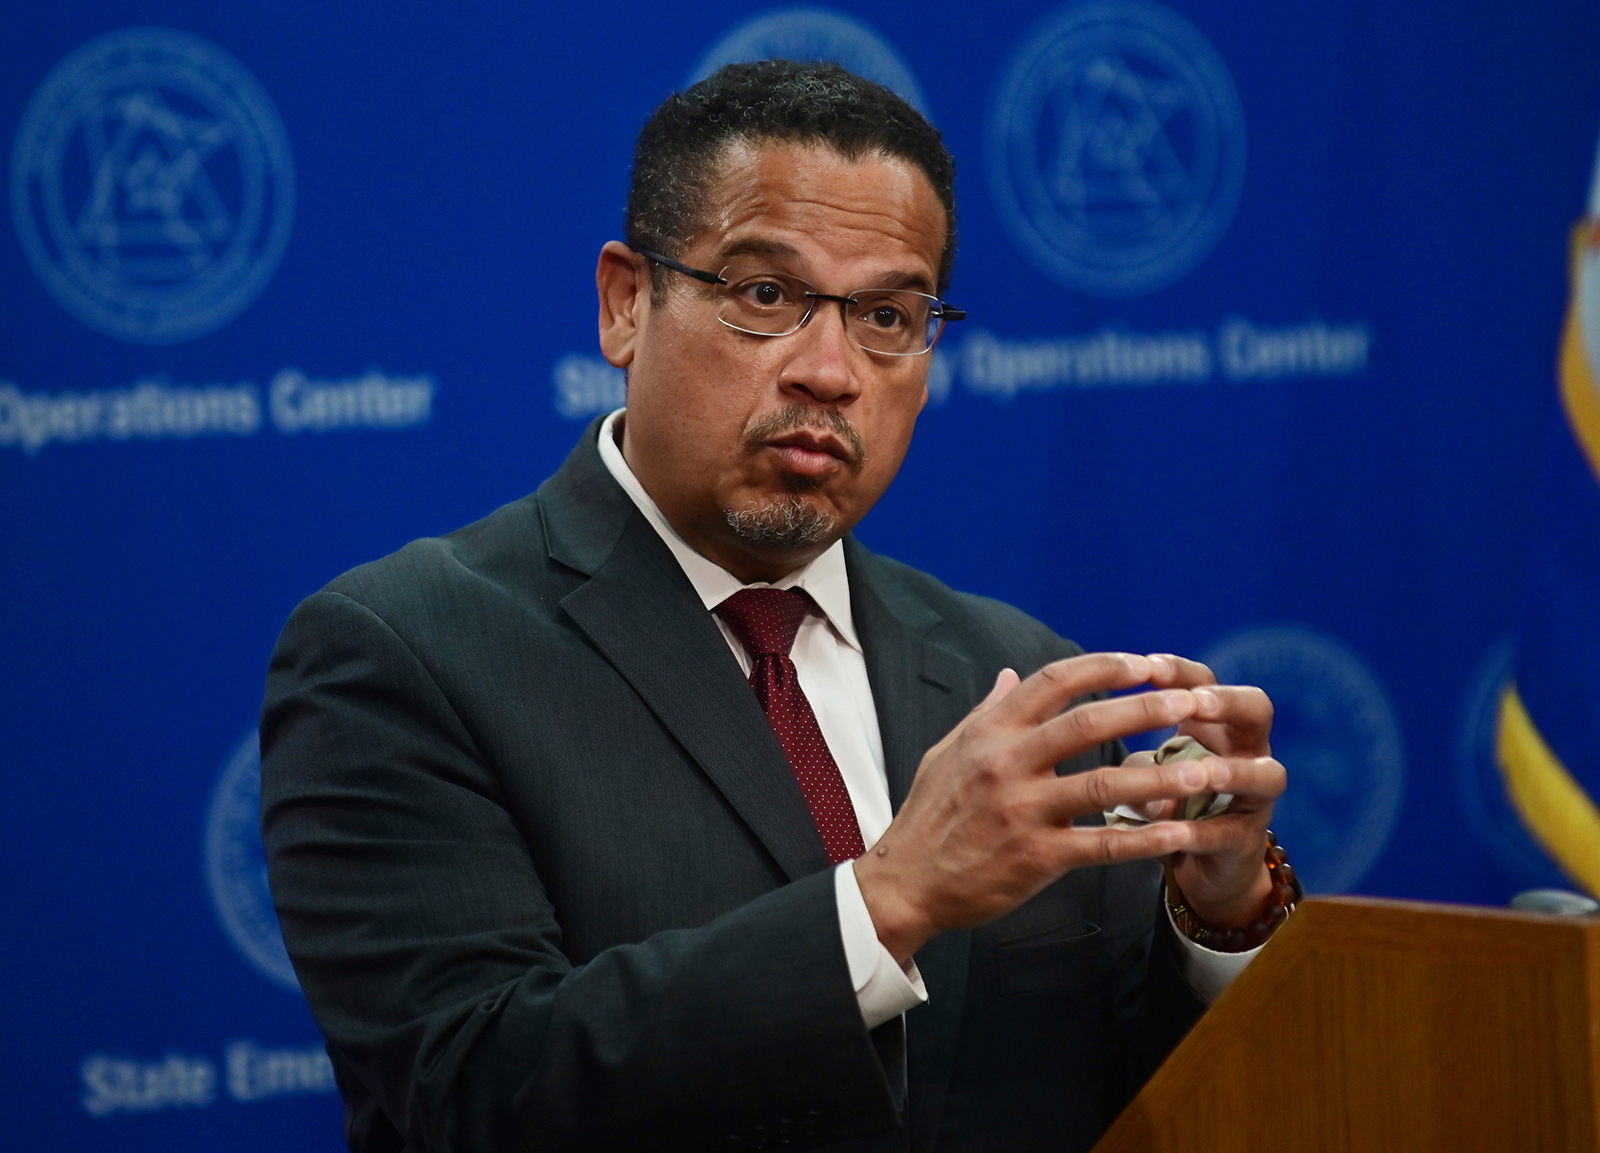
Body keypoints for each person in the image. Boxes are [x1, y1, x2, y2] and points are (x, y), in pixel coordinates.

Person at [261, 61, 1289, 1152]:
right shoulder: (405, 652)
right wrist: (886, 899)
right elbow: (470, 1089)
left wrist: (1217, 914)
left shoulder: (1008, 668)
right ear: (625, 302)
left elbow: (1121, 1090)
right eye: (767, 296)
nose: (831, 370)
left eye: (888, 314)